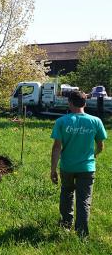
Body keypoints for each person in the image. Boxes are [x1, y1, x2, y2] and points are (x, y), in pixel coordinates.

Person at [50, 90, 107, 237]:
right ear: (85, 103)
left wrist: (53, 170)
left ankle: (66, 224)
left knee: (67, 193)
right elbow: (100, 146)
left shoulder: (61, 122)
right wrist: (93, 155)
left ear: (69, 103)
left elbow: (57, 147)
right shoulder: (96, 121)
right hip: (87, 167)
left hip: (67, 167)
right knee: (84, 199)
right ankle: (82, 233)